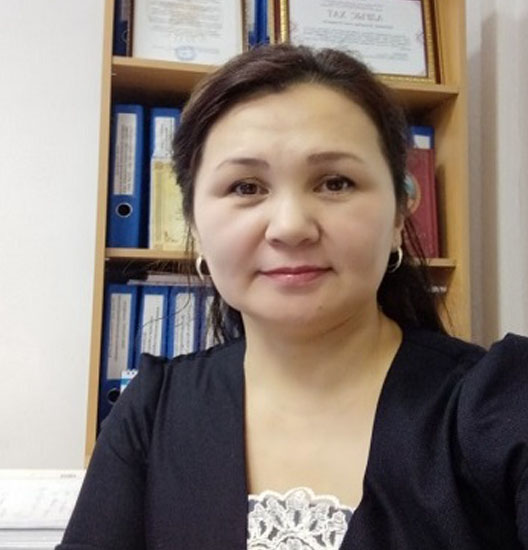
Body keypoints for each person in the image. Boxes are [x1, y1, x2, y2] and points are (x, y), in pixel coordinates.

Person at [57, 44, 528, 550]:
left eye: (335, 182)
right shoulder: (152, 411)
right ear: (193, 223)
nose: (290, 227)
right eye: (246, 187)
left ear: (398, 214)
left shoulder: (500, 402)